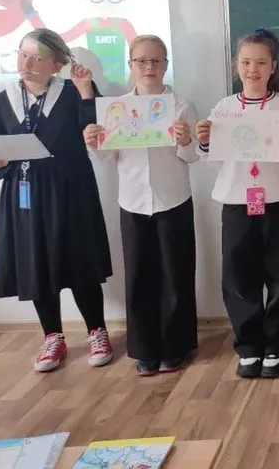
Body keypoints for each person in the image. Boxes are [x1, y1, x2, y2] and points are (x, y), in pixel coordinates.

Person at [0, 29, 114, 372]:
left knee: (79, 260)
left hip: (71, 190)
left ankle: (97, 330)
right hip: (24, 193)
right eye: (22, 55)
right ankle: (52, 335)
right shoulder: (2, 100)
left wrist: (87, 92)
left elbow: (101, 130)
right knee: (35, 262)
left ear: (56, 64)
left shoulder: (72, 91)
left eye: (37, 58)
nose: (27, 63)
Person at [196, 28, 279, 379]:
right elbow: (211, 158)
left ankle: (277, 346)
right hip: (236, 205)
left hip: (278, 204)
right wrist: (204, 140)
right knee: (238, 278)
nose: (253, 69)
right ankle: (248, 347)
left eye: (261, 62)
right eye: (246, 62)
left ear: (273, 66)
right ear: (236, 65)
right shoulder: (225, 108)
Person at [84, 34, 199, 376]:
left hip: (173, 199)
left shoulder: (181, 106)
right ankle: (145, 349)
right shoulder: (116, 109)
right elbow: (109, 157)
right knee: (138, 277)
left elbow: (193, 156)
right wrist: (94, 143)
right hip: (133, 202)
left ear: (166, 65)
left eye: (156, 61)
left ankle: (176, 347)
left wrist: (186, 140)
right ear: (131, 64)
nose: (149, 67)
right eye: (141, 61)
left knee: (176, 276)